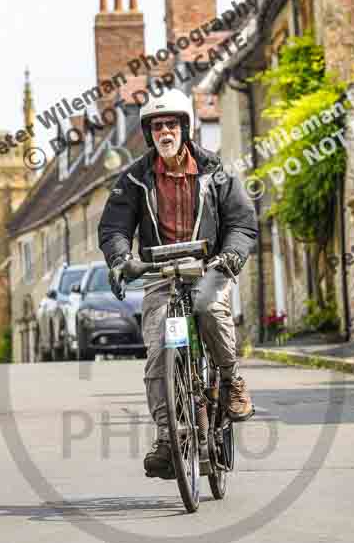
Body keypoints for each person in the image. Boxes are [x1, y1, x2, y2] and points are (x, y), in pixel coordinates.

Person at [98, 89, 259, 479]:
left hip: (208, 267)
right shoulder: (135, 178)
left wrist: (231, 256)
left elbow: (241, 221)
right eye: (157, 126)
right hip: (159, 276)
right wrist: (121, 260)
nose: (164, 131)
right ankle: (169, 436)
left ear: (184, 128)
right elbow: (115, 226)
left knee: (208, 309)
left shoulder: (214, 171)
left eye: (171, 124)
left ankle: (230, 380)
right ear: (149, 132)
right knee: (158, 350)